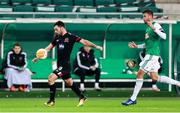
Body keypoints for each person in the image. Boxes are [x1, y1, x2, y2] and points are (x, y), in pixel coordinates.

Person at [32, 20, 102, 107]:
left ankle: (51, 101)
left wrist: (96, 46)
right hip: (60, 65)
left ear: (62, 27)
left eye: (56, 29)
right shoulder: (57, 38)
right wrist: (38, 57)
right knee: (69, 82)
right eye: (54, 30)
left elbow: (84, 42)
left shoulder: (71, 37)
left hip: (65, 65)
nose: (55, 31)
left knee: (51, 78)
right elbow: (48, 48)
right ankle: (82, 97)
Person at [122, 9, 180, 106]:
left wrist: (153, 27)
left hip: (152, 55)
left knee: (139, 74)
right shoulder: (147, 28)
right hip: (151, 54)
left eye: (144, 16)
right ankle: (178, 83)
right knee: (155, 77)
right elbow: (147, 44)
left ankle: (133, 99)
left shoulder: (155, 25)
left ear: (150, 16)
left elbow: (164, 36)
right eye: (143, 16)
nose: (143, 18)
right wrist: (137, 46)